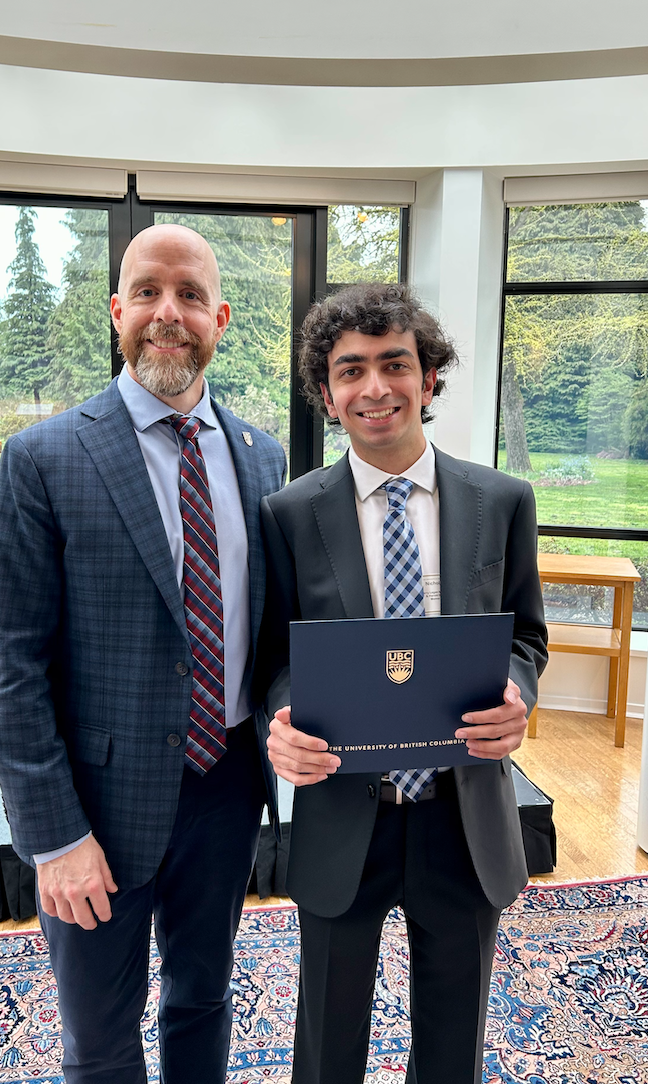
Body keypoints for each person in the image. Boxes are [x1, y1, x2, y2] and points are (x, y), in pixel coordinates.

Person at [0, 223, 286, 1084]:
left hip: (225, 788)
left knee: (202, 1000)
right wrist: (54, 836)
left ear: (219, 318)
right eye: (148, 291)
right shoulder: (44, 459)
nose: (169, 313)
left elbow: (277, 635)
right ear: (117, 311)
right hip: (95, 807)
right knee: (102, 1035)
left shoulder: (266, 462)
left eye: (190, 296)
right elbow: (9, 668)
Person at [259, 282, 548, 1084]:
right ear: (326, 392)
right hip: (342, 811)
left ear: (428, 379)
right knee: (325, 1044)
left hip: (464, 814)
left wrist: (518, 692)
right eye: (351, 370)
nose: (375, 387)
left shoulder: (502, 501)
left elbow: (525, 634)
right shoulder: (287, 513)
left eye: (396, 364)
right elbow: (272, 658)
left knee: (454, 1044)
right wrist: (281, 718)